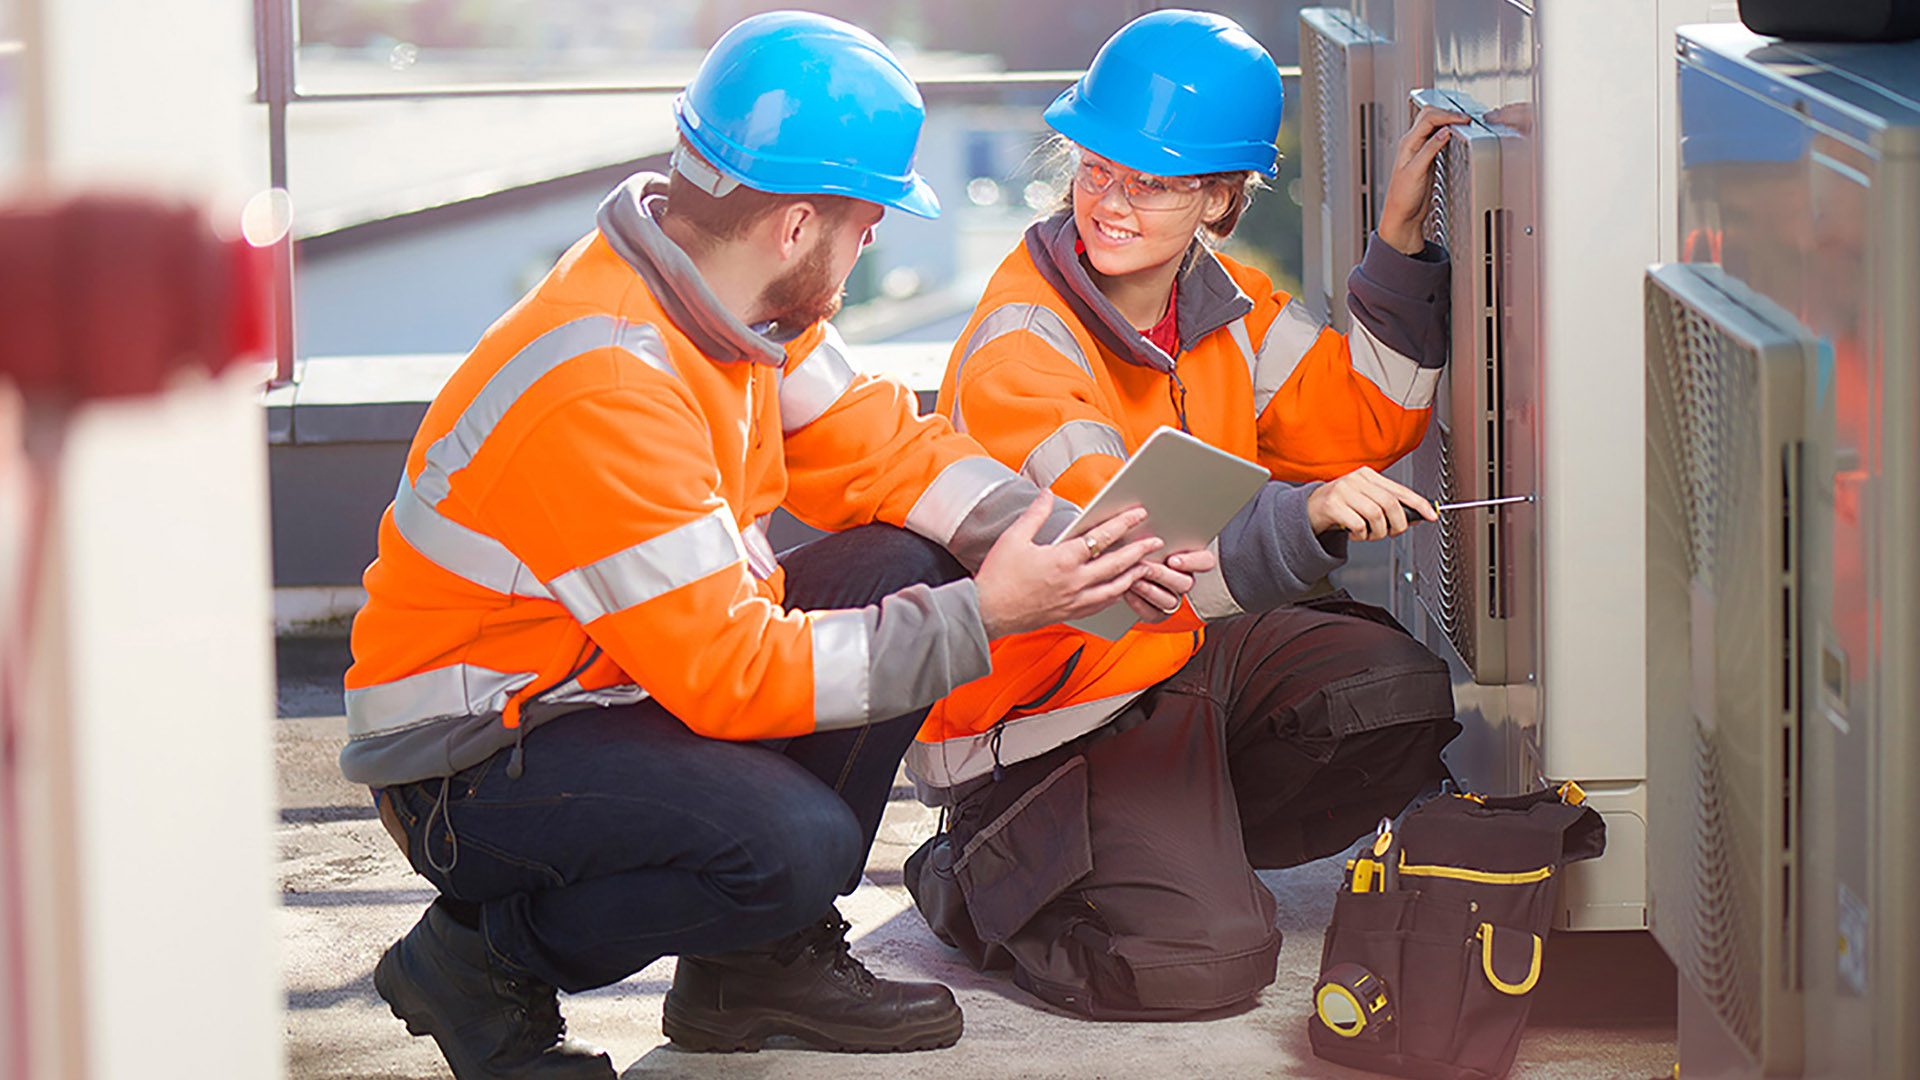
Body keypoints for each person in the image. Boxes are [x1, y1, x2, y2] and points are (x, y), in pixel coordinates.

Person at [341, 12, 1208, 1077]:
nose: (877, 238)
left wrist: (1073, 546)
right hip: (472, 759)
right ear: (796, 225)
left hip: (605, 682)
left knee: (908, 557)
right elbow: (733, 676)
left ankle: (756, 971)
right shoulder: (609, 383)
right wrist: (992, 614)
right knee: (792, 844)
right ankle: (476, 968)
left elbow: (891, 454)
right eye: (869, 216)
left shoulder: (732, 304)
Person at [902, 9, 1467, 1019]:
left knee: (1401, 696)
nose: (1110, 203)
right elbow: (1120, 582)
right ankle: (981, 872)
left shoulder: (1223, 304)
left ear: (1216, 198)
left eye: (1151, 182)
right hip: (1051, 713)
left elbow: (1364, 423)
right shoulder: (1020, 351)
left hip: (1180, 657)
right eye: (1096, 168)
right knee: (1197, 965)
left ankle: (1163, 842)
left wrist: (1398, 248)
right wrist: (1304, 520)